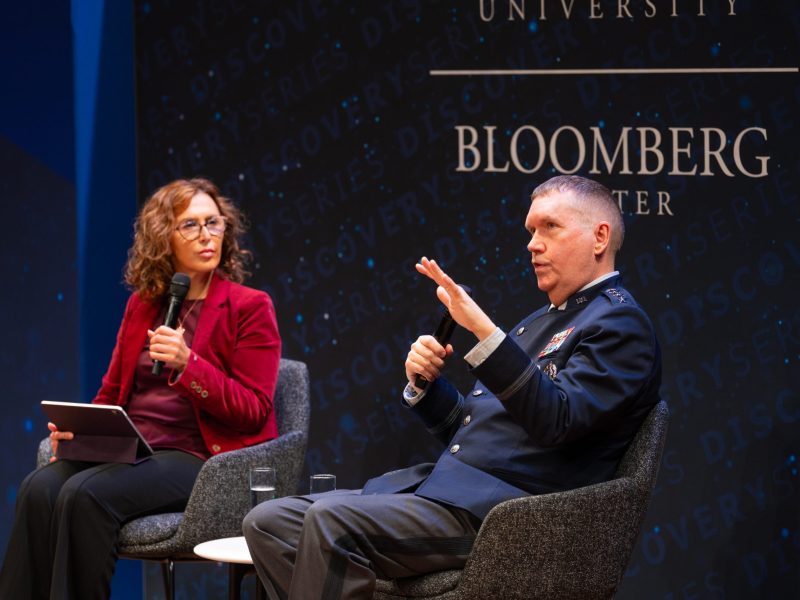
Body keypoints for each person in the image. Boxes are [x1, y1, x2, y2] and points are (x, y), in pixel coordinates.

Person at [242, 174, 662, 599]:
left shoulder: (619, 324)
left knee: (331, 523)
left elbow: (557, 422)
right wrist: (428, 389)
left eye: (550, 227)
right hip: (452, 496)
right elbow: (479, 434)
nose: (533, 244)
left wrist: (483, 330)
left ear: (599, 237)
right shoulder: (541, 320)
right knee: (268, 523)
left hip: (509, 519)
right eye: (531, 231)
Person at [0, 178, 282, 600]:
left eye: (214, 223)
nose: (206, 235)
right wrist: (81, 432)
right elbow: (112, 391)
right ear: (164, 237)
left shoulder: (249, 306)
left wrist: (189, 364)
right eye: (190, 225)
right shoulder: (144, 304)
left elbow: (253, 409)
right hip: (135, 450)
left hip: (198, 459)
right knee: (38, 488)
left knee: (85, 495)